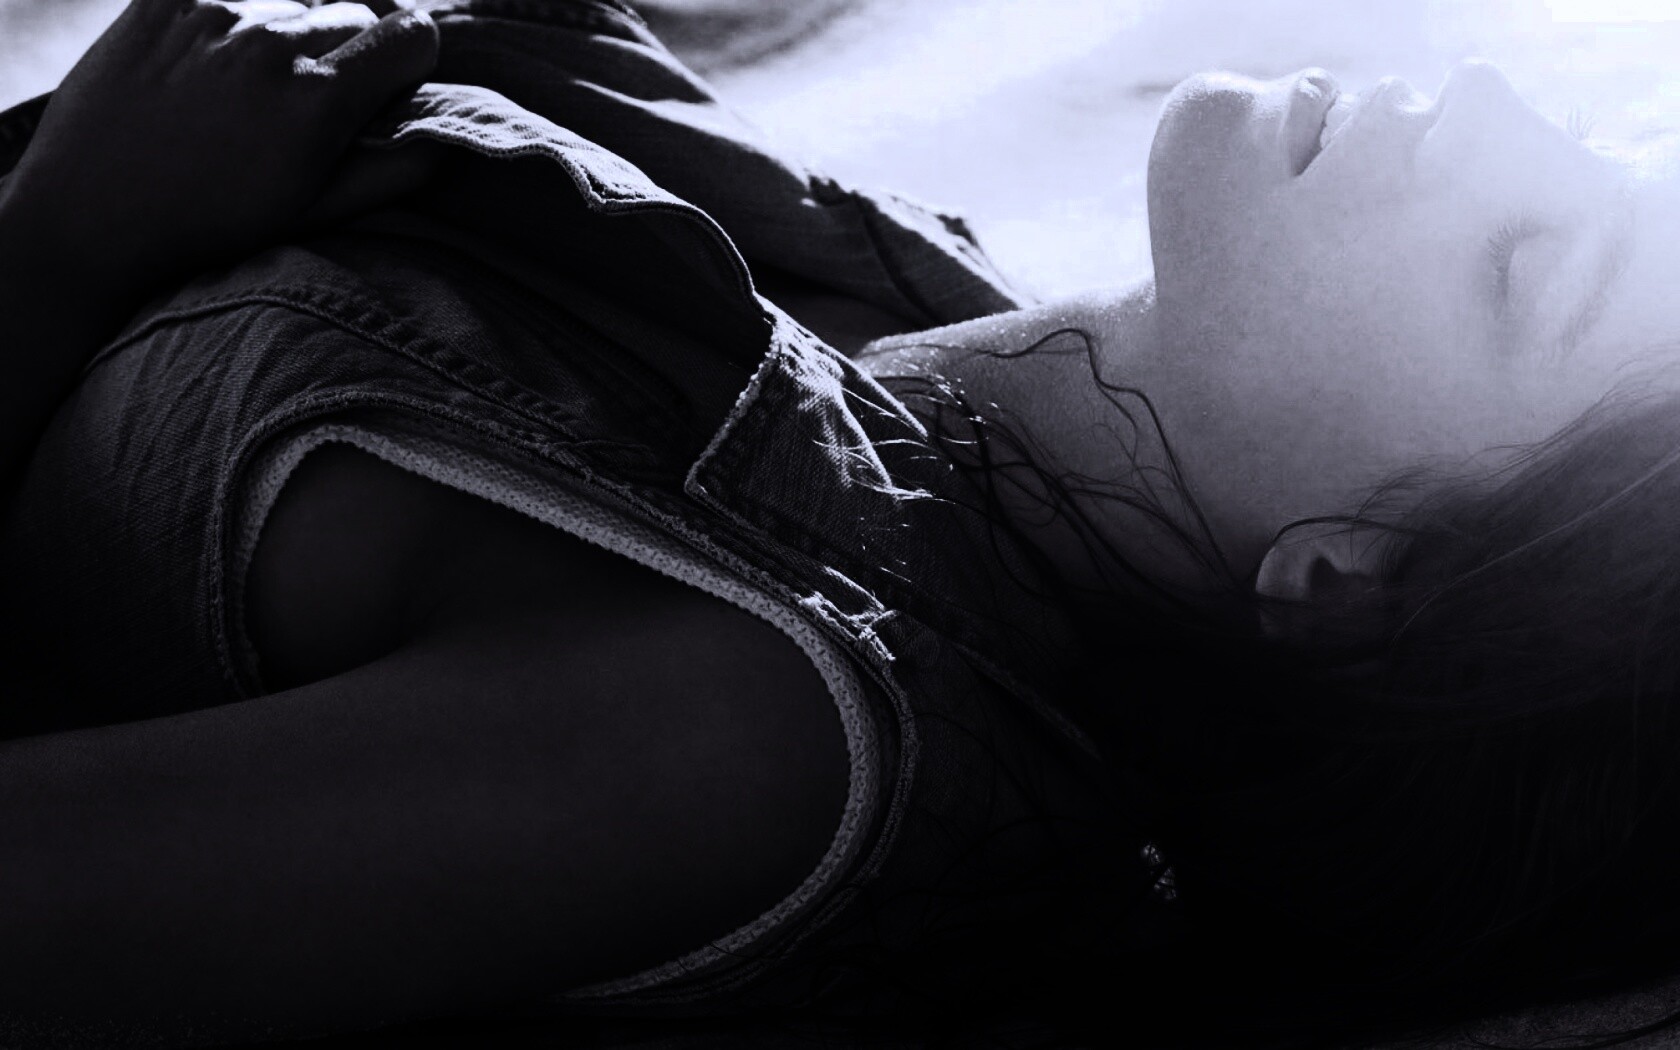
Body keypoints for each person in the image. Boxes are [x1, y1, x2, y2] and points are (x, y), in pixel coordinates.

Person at [2, 3, 1679, 1049]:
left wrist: (63, 241)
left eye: (1524, 262)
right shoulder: (954, 327)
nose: (1488, 95)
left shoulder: (763, 731)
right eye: (1599, 153)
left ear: (1350, 586)